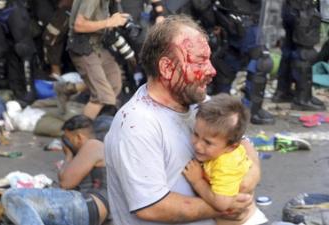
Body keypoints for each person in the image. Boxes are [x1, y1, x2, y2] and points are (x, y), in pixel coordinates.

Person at [104, 14, 260, 225]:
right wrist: (225, 207)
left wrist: (246, 184)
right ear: (167, 68)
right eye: (200, 61)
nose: (211, 70)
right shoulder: (136, 124)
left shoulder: (197, 99)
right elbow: (151, 207)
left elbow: (239, 142)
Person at [2, 115, 110, 225]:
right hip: (90, 210)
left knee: (12, 196)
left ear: (79, 137)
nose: (66, 144)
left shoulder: (93, 145)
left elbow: (65, 183)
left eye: (68, 139)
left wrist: (68, 155)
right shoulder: (94, 150)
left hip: (89, 205)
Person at [182, 94, 267, 225]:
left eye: (208, 142)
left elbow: (222, 203)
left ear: (231, 147)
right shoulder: (223, 148)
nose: (198, 145)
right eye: (196, 134)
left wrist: (197, 181)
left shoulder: (225, 164)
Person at [66, 0, 129, 119]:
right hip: (83, 47)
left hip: (99, 46)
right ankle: (80, 132)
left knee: (114, 84)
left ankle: (69, 89)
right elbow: (79, 25)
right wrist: (109, 22)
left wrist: (116, 20)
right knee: (102, 96)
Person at [272, 0, 326, 111]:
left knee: (289, 49)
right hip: (302, 9)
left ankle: (283, 91)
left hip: (290, 7)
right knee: (304, 52)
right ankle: (303, 99)